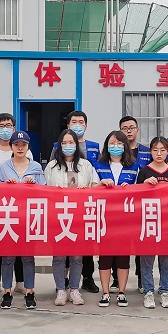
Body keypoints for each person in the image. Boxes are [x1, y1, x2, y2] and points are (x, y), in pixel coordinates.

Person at [44, 129, 100, 307]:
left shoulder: (86, 165)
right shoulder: (51, 166)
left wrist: (88, 189)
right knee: (59, 256)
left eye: (71, 142)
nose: (68, 146)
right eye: (64, 143)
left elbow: (95, 185)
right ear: (59, 146)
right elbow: (43, 190)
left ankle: (74, 289)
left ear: (77, 145)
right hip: (58, 217)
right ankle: (61, 289)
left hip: (79, 218)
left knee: (77, 256)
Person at [0, 112, 32, 297]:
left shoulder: (26, 151)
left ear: (14, 127)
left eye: (8, 125)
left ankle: (20, 282)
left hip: (21, 206)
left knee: (19, 243)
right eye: (1, 126)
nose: (5, 129)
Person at [0, 131, 45, 310]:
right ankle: (7, 291)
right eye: (16, 144)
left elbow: (45, 191)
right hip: (8, 216)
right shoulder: (3, 167)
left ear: (28, 147)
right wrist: (5, 186)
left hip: (29, 217)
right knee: (8, 257)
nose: (20, 148)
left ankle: (29, 291)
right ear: (11, 146)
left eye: (23, 145)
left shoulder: (36, 167)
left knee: (28, 257)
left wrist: (34, 186)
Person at [94, 130, 139, 307]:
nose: (116, 147)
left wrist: (131, 189)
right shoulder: (99, 165)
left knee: (123, 258)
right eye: (112, 143)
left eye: (120, 143)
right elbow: (91, 189)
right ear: (106, 145)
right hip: (104, 218)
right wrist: (101, 184)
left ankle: (121, 292)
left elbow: (140, 191)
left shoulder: (133, 166)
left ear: (125, 146)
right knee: (104, 257)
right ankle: (105, 292)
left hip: (125, 219)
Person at [136, 137, 168, 309]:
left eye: (162, 150)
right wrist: (144, 184)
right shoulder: (144, 172)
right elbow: (135, 196)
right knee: (147, 259)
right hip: (149, 221)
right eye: (155, 150)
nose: (159, 153)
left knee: (167, 259)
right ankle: (148, 292)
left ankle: (165, 291)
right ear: (150, 152)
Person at [64, 110, 100, 292]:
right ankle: (65, 279)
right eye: (74, 122)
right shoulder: (58, 145)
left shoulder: (94, 146)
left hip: (86, 203)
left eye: (81, 122)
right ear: (68, 125)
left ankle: (87, 278)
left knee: (87, 243)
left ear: (86, 125)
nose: (77, 125)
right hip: (64, 203)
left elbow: (97, 170)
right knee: (65, 239)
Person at [116, 116, 150, 290]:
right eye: (125, 128)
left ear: (137, 130)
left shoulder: (147, 152)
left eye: (131, 127)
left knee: (140, 242)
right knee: (118, 242)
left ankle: (141, 279)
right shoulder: (116, 151)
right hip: (118, 207)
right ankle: (116, 279)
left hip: (141, 205)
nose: (128, 131)